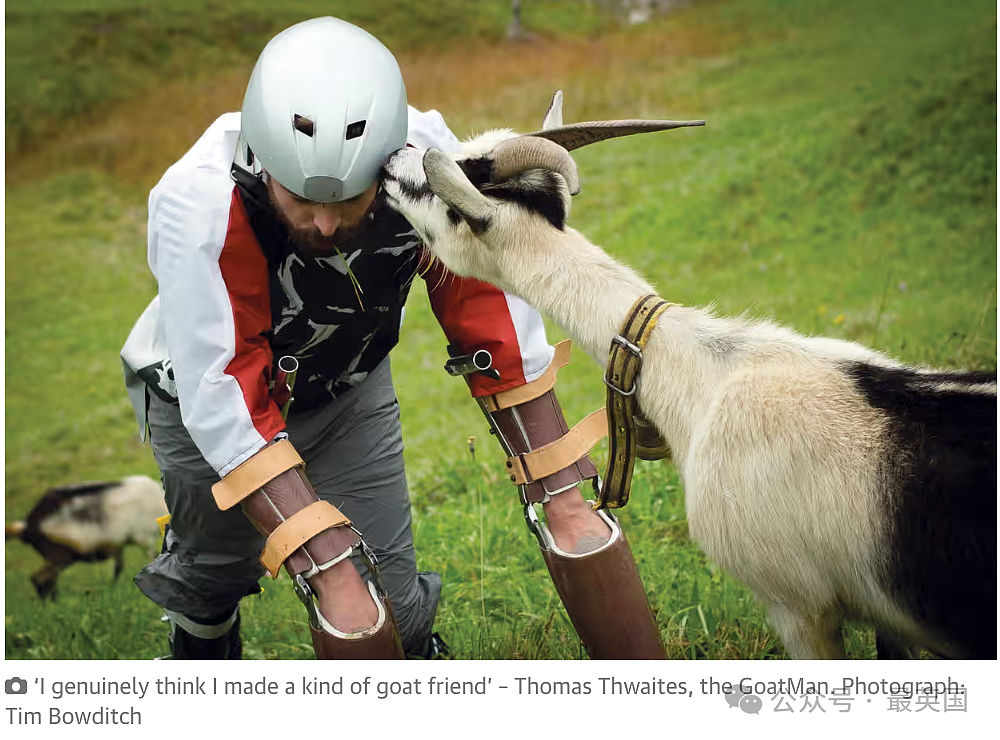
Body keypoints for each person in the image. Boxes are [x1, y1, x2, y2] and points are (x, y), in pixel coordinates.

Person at [121, 16, 664, 660]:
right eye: (301, 197)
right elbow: (224, 384)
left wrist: (559, 488)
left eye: (349, 198)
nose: (324, 222)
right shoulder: (197, 202)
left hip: (347, 390)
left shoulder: (422, 156)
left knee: (385, 612)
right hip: (201, 405)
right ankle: (200, 649)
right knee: (217, 578)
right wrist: (320, 554)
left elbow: (480, 293)